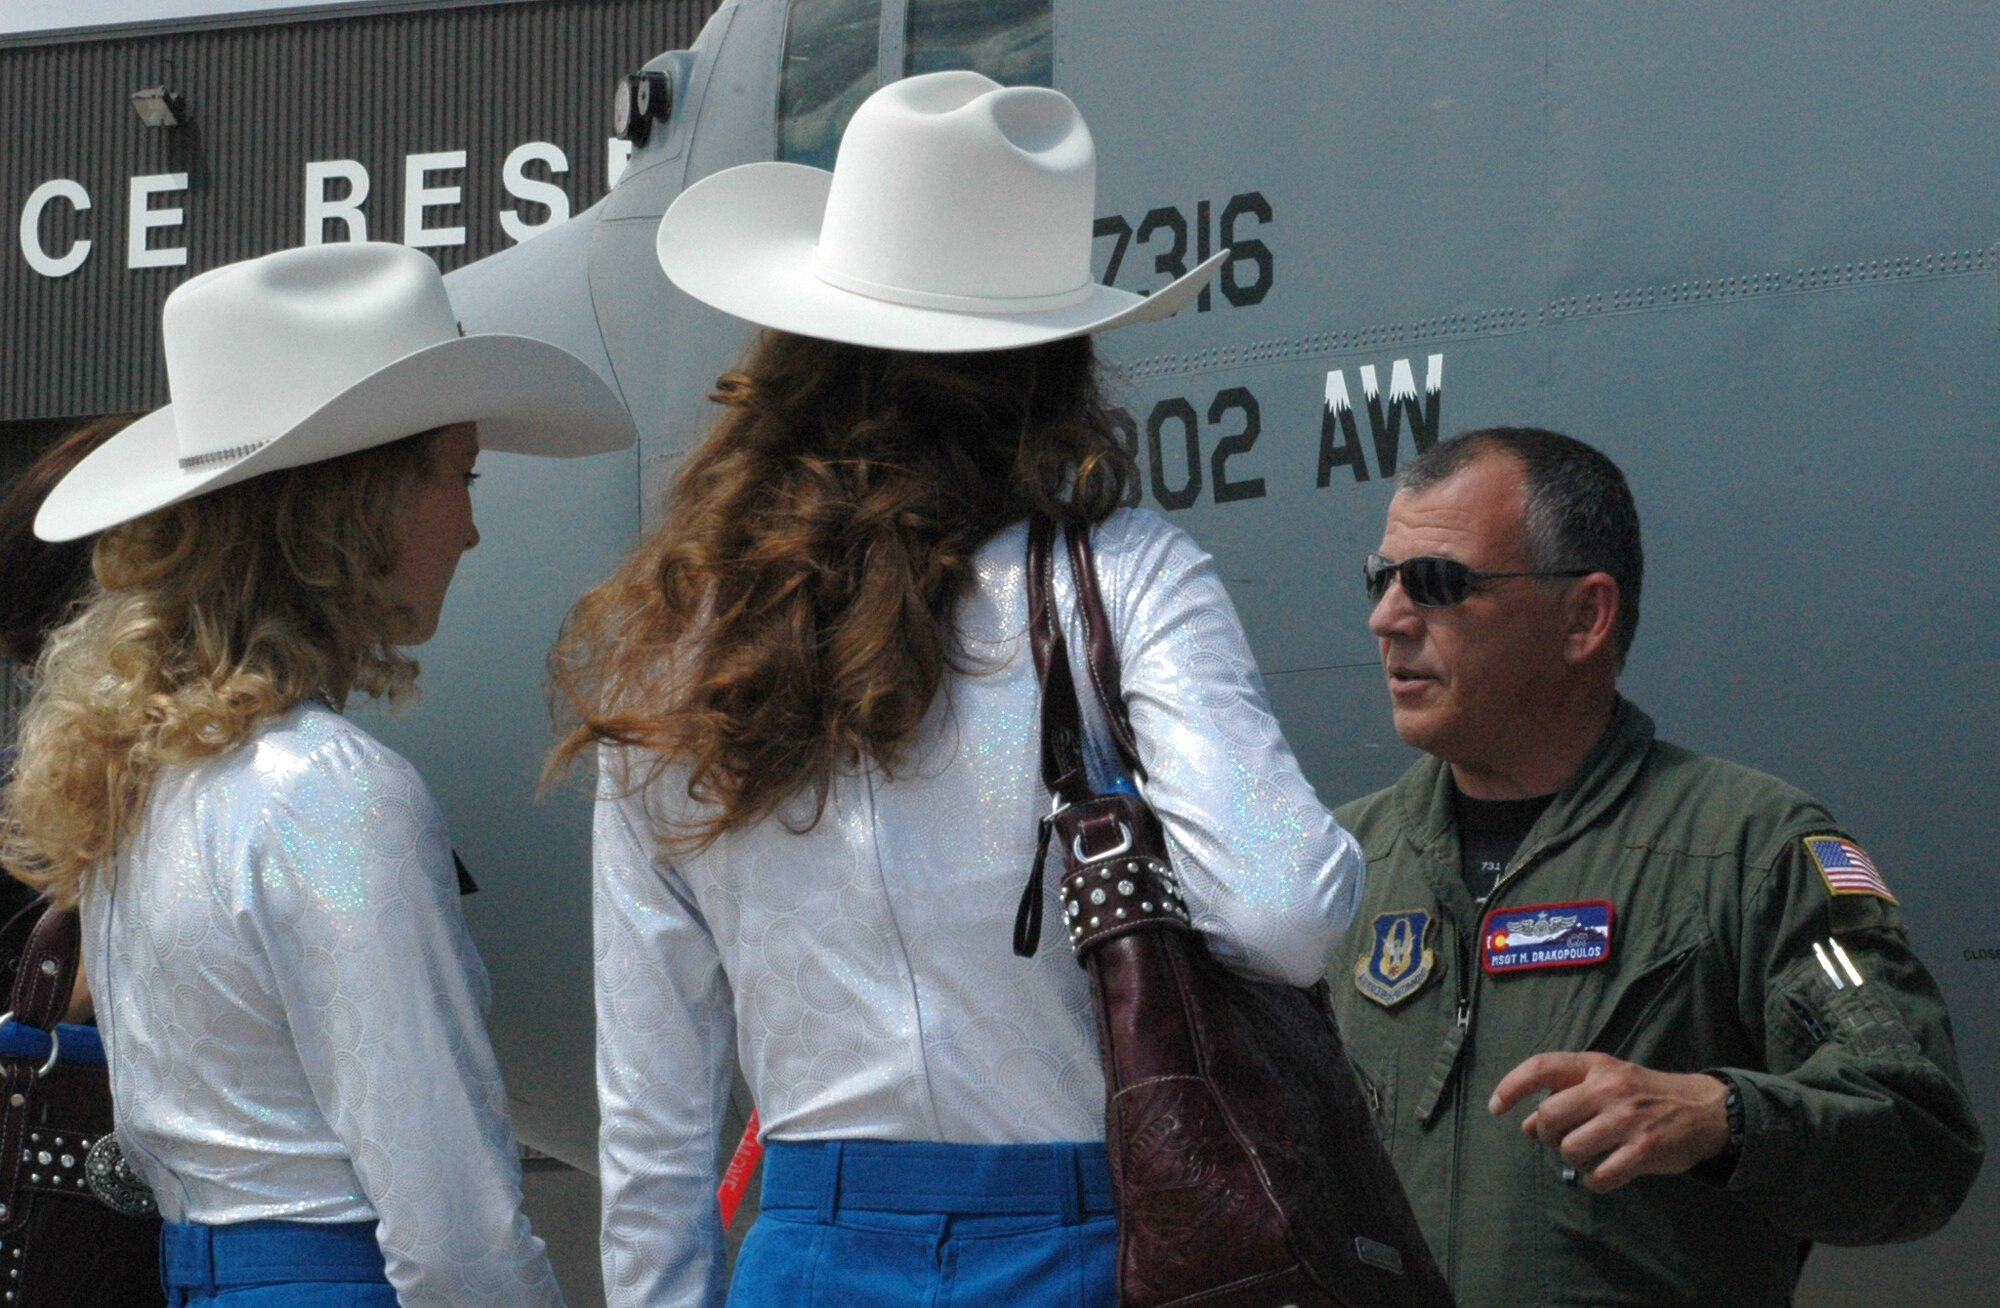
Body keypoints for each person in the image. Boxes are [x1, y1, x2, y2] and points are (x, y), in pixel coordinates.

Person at [548, 71, 1363, 1308]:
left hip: (809, 1254)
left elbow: (653, 1107)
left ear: (801, 345)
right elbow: (1283, 912)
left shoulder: (675, 643)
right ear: (1055, 356)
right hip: (1089, 1245)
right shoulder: (1122, 571)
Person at [1, 241, 636, 1307]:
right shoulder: (331, 795)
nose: (473, 526)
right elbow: (450, 1226)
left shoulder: (139, 778)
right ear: (363, 501)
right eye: (457, 474)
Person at [1327, 426, 1983, 1307]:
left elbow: (1920, 1132)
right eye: (1383, 578)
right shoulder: (1337, 871)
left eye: (1437, 583)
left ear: (1585, 616)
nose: (1388, 618)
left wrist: (1723, 1117)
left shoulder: (1752, 853)